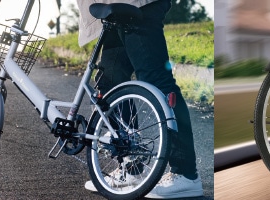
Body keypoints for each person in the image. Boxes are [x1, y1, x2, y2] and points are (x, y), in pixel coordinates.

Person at [76, 0, 203, 198]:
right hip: (114, 8)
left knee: (157, 82)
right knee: (110, 83)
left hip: (138, 5)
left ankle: (185, 175)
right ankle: (132, 169)